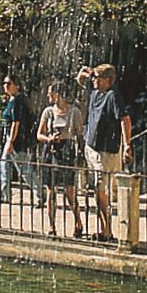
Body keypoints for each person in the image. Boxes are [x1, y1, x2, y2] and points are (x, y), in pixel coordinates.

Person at [80, 62, 134, 239]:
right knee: (98, 189)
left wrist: (127, 145)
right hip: (92, 147)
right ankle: (105, 228)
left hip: (106, 150)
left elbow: (124, 120)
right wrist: (89, 72)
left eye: (98, 78)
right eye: (94, 78)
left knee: (101, 189)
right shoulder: (95, 91)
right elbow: (79, 78)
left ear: (108, 80)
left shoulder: (113, 96)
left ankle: (107, 229)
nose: (94, 80)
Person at [37, 81, 85, 237]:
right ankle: (51, 226)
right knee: (51, 190)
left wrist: (81, 155)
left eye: (51, 92)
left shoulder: (74, 112)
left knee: (69, 190)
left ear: (58, 94)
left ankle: (78, 222)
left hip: (66, 150)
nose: (48, 95)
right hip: (50, 150)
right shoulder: (48, 112)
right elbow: (39, 134)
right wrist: (49, 139)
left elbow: (79, 135)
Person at [0, 75, 45, 206]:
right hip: (11, 138)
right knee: (4, 165)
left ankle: (39, 195)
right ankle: (4, 195)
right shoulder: (13, 100)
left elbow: (16, 123)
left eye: (9, 83)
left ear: (16, 85)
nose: (5, 86)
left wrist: (11, 142)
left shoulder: (18, 101)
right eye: (4, 83)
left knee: (24, 169)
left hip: (16, 140)